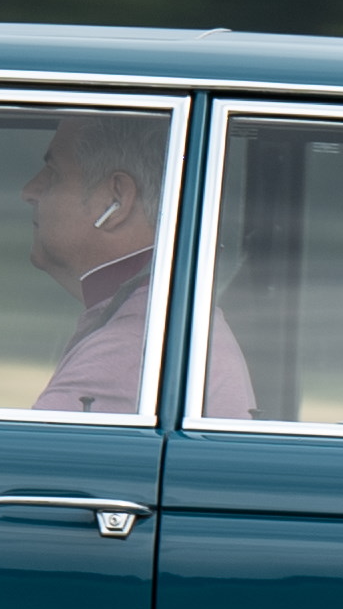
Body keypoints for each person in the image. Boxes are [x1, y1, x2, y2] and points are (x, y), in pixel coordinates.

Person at [22, 115, 254, 417]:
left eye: (54, 174)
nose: (29, 191)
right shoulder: (157, 319)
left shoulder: (130, 347)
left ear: (116, 199)